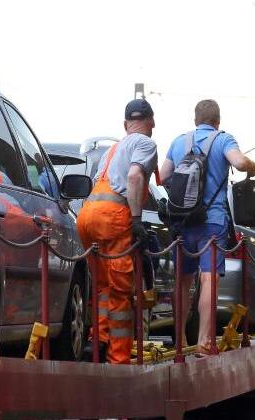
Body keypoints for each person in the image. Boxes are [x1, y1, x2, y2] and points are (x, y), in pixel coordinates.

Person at [160, 99, 255, 353]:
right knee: (209, 279)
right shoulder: (224, 140)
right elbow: (238, 163)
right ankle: (205, 340)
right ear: (218, 121)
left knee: (182, 282)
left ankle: (180, 340)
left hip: (182, 222)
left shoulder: (179, 141)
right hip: (211, 222)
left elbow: (163, 177)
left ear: (195, 120)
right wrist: (253, 166)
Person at [76, 99, 158, 364]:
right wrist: (136, 220)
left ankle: (97, 343)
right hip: (113, 219)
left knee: (101, 286)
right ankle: (118, 360)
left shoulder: (113, 149)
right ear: (152, 122)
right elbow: (135, 177)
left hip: (87, 217)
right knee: (121, 293)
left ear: (126, 124)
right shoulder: (145, 143)